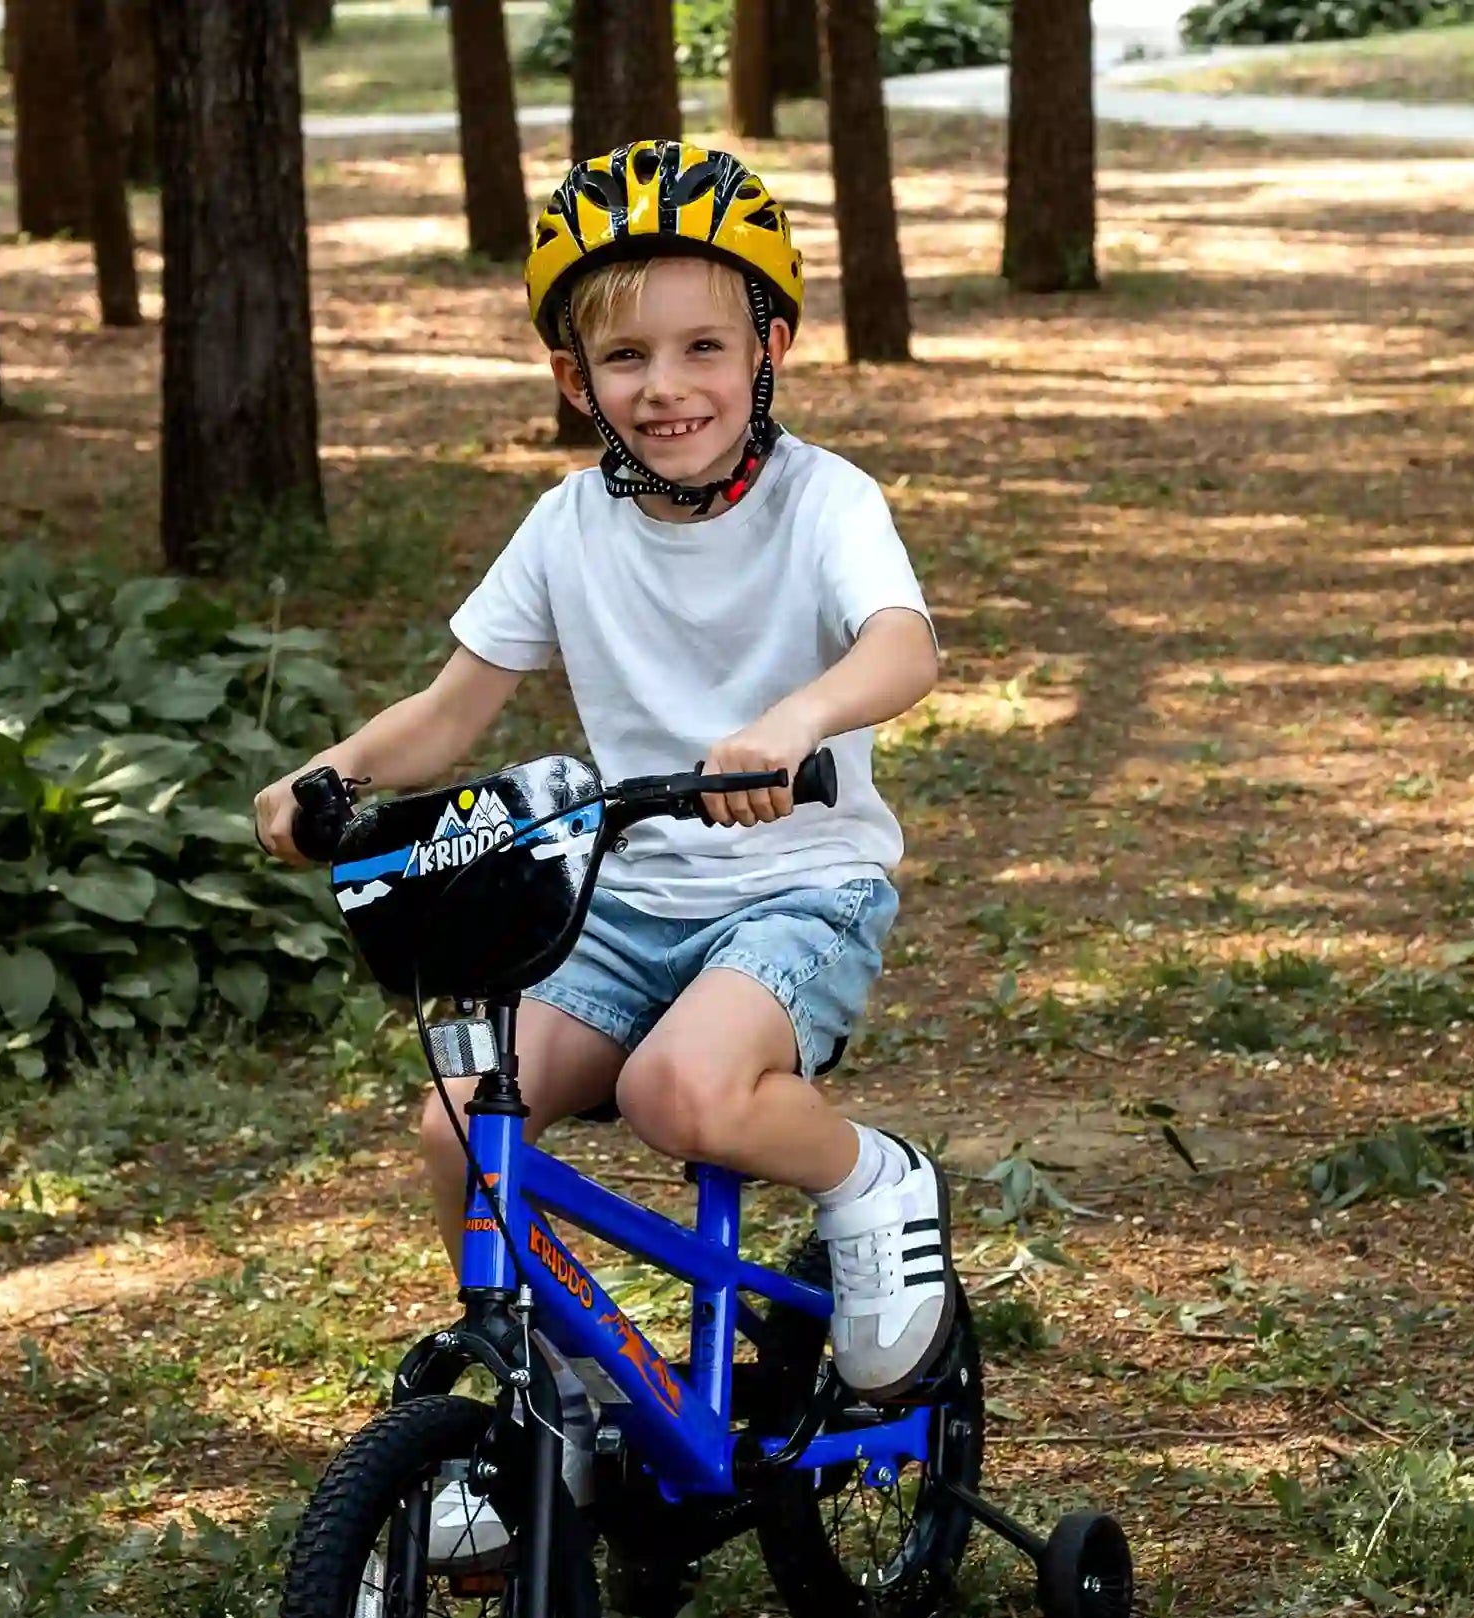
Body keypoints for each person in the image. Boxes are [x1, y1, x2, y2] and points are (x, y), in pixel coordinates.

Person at [256, 139, 954, 1442]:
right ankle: (552, 1412)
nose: (667, 386)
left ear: (771, 346)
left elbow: (899, 646)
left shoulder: (824, 503)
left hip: (797, 885)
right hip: (624, 897)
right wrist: (333, 773)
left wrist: (792, 721)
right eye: (626, 359)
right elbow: (454, 709)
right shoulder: (567, 527)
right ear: (574, 379)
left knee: (675, 1096)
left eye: (703, 348)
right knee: (459, 1118)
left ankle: (874, 1182)